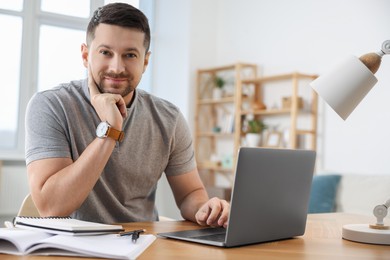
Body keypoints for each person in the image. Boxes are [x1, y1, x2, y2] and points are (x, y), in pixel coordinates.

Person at [25, 3, 229, 228]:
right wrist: (110, 130)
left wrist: (205, 209)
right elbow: (51, 206)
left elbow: (190, 193)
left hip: (141, 244)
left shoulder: (169, 119)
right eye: (105, 52)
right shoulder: (51, 105)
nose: (117, 67)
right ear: (85, 55)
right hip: (71, 246)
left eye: (130, 55)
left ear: (145, 61)